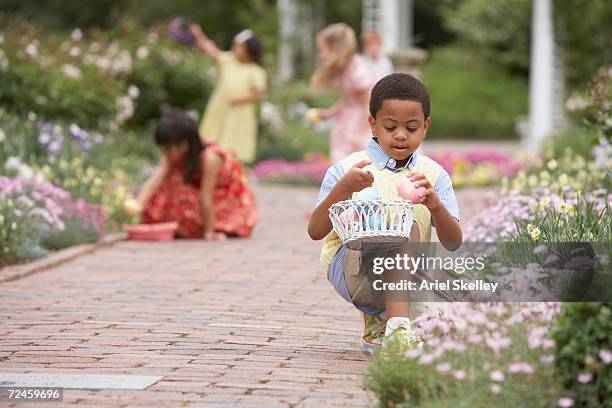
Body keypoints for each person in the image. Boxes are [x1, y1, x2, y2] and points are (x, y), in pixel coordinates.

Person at [307, 73, 462, 353]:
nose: (401, 135)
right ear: (373, 124)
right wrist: (342, 190)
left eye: (411, 128)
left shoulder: (433, 175)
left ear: (425, 127)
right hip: (354, 272)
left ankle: (384, 321)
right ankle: (397, 326)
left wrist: (436, 206)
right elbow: (315, 231)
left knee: (446, 333)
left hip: (410, 276)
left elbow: (453, 243)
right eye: (390, 126)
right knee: (405, 228)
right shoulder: (349, 170)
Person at [126, 108, 258, 240]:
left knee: (179, 190)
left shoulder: (209, 158)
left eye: (168, 149)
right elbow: (155, 181)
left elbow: (206, 197)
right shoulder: (172, 157)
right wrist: (138, 204)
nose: (164, 153)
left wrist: (209, 232)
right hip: (203, 198)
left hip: (227, 201)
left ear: (183, 146)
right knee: (168, 187)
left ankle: (206, 227)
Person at [190, 24, 267, 164]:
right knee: (214, 137)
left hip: (239, 113)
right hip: (221, 108)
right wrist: (199, 35)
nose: (235, 49)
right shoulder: (229, 61)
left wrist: (239, 99)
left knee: (233, 141)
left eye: (239, 47)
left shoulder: (255, 71)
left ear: (249, 51)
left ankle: (230, 169)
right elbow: (211, 50)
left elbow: (258, 94)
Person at [308, 23, 376, 163]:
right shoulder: (346, 69)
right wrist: (328, 114)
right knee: (341, 164)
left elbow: (367, 104)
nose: (320, 56)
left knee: (356, 163)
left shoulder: (357, 71)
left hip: (359, 123)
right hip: (346, 122)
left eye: (321, 50)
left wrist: (359, 131)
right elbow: (348, 101)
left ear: (334, 47)